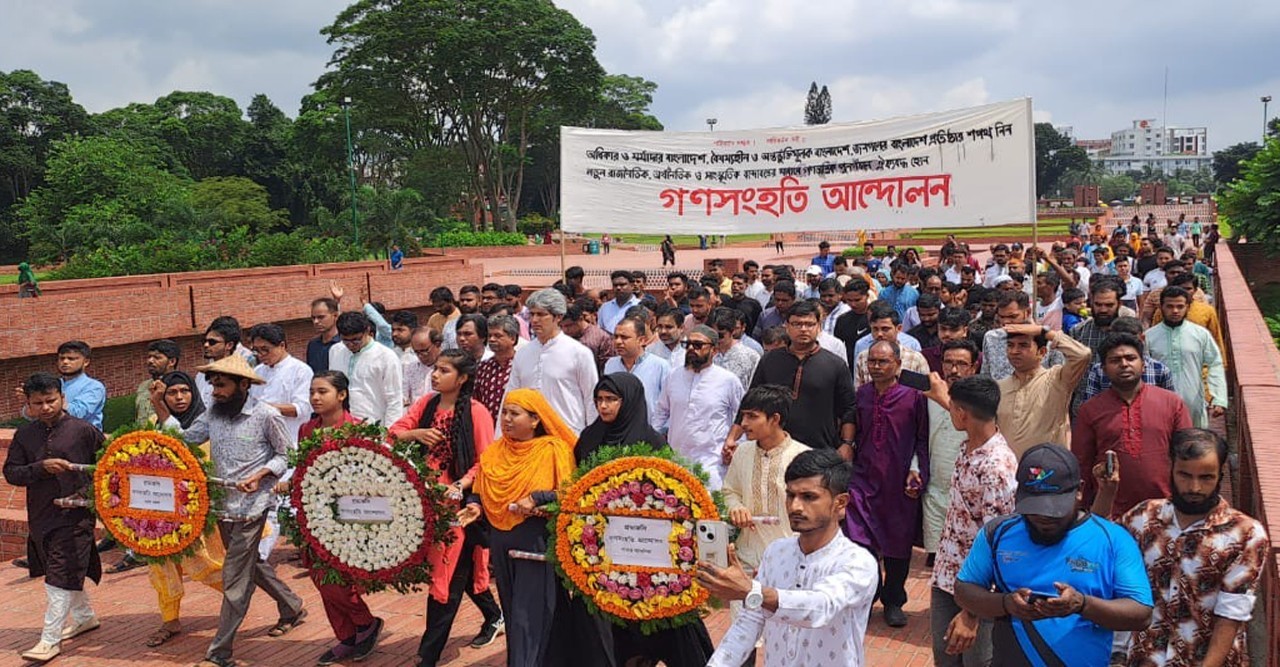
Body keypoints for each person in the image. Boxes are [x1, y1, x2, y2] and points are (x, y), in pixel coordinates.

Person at [153, 355, 305, 667]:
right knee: (252, 564)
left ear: (244, 385)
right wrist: (162, 411)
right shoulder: (213, 415)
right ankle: (292, 605)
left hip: (253, 508)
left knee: (235, 577)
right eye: (212, 385)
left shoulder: (266, 415)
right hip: (222, 507)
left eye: (221, 385)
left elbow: (286, 455)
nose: (214, 391)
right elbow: (184, 440)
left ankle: (219, 653)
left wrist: (261, 475)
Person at [953, 444, 1154, 666]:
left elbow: (1141, 613)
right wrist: (1005, 604)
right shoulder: (997, 533)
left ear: (1079, 490)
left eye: (1055, 509)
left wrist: (1081, 604)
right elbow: (963, 590)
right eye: (1035, 508)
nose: (1044, 518)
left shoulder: (1113, 539)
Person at [576, 374, 716, 667]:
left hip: (651, 552)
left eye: (611, 400)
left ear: (629, 401)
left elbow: (670, 496)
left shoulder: (650, 441)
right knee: (616, 619)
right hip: (607, 550)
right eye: (599, 399)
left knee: (665, 616)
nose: (604, 406)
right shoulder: (589, 439)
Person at [1106, 429, 1271, 667]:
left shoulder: (1245, 534)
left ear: (1220, 475)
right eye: (1185, 475)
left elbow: (1231, 613)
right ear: (1170, 468)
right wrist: (1106, 493)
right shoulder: (1142, 518)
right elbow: (1103, 554)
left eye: (1206, 478)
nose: (1194, 487)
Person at [467, 389, 608, 666]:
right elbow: (480, 489)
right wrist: (474, 504)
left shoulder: (553, 449)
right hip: (501, 540)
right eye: (504, 412)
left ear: (535, 420)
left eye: (515, 414)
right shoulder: (496, 451)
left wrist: (539, 498)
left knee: (526, 614)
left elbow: (570, 493)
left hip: (535, 541)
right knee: (518, 607)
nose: (506, 419)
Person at [703, 449, 878, 667]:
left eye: (809, 497)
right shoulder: (776, 552)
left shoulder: (857, 562)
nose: (795, 506)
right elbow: (750, 621)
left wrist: (751, 591)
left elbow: (819, 607)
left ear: (840, 503)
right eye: (790, 495)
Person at [387, 351, 505, 664]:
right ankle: (494, 616)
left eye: (444, 370)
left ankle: (428, 655)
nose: (435, 375)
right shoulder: (426, 404)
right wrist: (415, 433)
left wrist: (462, 485)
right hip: (426, 502)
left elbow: (486, 461)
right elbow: (394, 433)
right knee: (457, 572)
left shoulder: (476, 412)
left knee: (445, 576)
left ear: (462, 378)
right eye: (435, 369)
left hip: (460, 507)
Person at [280, 371, 383, 664]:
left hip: (347, 517)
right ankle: (347, 636)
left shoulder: (358, 429)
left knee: (336, 578)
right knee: (318, 574)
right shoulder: (306, 429)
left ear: (341, 395)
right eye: (313, 392)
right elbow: (302, 468)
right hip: (312, 514)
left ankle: (365, 624)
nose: (315, 397)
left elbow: (370, 475)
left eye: (322, 391)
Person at [4, 373, 104, 663]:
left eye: (51, 400)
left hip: (76, 515)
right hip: (41, 515)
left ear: (62, 398)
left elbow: (109, 463)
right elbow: (12, 473)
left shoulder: (83, 430)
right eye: (39, 403)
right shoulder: (24, 435)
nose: (46, 407)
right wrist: (40, 467)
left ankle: (49, 640)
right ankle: (85, 617)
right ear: (28, 404)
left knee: (58, 574)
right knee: (61, 568)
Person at [922, 375, 1017, 667]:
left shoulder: (995, 467)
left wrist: (972, 613)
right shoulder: (969, 446)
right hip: (947, 577)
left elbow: (998, 544)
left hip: (979, 591)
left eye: (952, 409)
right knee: (946, 659)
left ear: (962, 414)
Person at [845, 340, 929, 627]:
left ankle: (894, 600)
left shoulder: (914, 397)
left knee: (897, 545)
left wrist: (917, 471)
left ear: (898, 364)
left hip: (899, 483)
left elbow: (922, 438)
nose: (877, 367)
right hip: (864, 480)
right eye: (872, 362)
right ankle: (867, 597)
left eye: (883, 362)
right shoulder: (862, 395)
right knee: (860, 543)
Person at [141, 371, 225, 648]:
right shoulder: (154, 423)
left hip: (198, 509)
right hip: (162, 509)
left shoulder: (208, 420)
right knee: (160, 567)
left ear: (194, 392)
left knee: (206, 564)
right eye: (172, 393)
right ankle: (170, 620)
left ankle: (237, 600)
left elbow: (196, 455)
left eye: (184, 391)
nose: (179, 397)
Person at [1073, 333, 1191, 519]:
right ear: (1103, 369)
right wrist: (1082, 509)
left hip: (1166, 511)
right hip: (1110, 513)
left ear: (1143, 364)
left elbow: (1188, 456)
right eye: (1115, 360)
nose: (1124, 364)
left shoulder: (1172, 403)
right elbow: (1082, 463)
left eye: (1130, 358)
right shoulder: (1090, 410)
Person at [734, 301, 857, 455]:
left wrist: (847, 444)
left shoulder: (835, 365)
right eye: (797, 324)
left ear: (819, 326)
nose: (803, 329)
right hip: (773, 449)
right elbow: (751, 401)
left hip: (819, 451)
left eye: (809, 324)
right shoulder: (770, 360)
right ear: (787, 326)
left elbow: (848, 409)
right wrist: (732, 438)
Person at [653, 326, 744, 490]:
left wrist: (735, 448)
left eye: (697, 345)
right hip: (675, 460)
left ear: (714, 350)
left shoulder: (728, 380)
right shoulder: (673, 377)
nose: (690, 349)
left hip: (712, 463)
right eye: (687, 344)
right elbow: (661, 413)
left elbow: (742, 417)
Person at [920, 339, 981, 560]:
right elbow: (919, 436)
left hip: (969, 490)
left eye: (962, 364)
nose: (954, 370)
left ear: (974, 367)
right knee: (936, 558)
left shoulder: (983, 398)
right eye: (948, 362)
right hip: (935, 488)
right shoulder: (928, 396)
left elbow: (978, 429)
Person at [507, 289, 600, 433]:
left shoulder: (579, 353)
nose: (535, 320)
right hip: (530, 438)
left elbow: (591, 398)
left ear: (558, 317)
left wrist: (592, 439)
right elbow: (511, 396)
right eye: (532, 314)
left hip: (569, 434)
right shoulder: (523, 353)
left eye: (541, 314)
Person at [996, 323, 1091, 456]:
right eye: (1010, 345)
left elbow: (1082, 354)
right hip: (1008, 471)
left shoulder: (1057, 379)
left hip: (1047, 470)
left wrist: (1045, 332)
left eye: (1023, 345)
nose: (1014, 351)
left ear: (1042, 352)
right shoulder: (999, 388)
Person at [1145, 286, 1228, 429]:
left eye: (1180, 306)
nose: (1175, 311)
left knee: (1195, 444)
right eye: (1169, 306)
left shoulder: (1200, 334)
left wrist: (1218, 398)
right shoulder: (1149, 337)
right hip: (1158, 404)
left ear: (1188, 307)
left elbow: (1215, 363)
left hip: (1194, 402)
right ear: (1161, 307)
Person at [329, 311, 405, 426]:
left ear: (368, 331)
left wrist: (390, 435)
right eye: (346, 340)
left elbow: (394, 400)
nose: (351, 344)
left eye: (356, 339)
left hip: (375, 426)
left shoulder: (386, 357)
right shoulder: (335, 351)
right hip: (341, 426)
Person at [17, 341, 106, 431]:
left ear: (86, 362)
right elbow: (30, 415)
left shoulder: (94, 387)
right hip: (51, 436)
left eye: (71, 359)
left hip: (84, 438)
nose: (65, 362)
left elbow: (77, 413)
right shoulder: (53, 384)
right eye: (61, 358)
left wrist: (55, 400)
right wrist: (31, 402)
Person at [602, 315, 670, 417]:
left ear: (641, 340)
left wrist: (658, 431)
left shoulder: (660, 366)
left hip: (649, 430)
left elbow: (668, 405)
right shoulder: (611, 365)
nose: (618, 342)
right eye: (616, 337)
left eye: (624, 337)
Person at [853, 303, 929, 388]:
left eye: (885, 329)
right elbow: (859, 392)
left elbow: (924, 393)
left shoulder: (915, 359)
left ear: (899, 329)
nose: (879, 334)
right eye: (875, 329)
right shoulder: (863, 357)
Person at [474, 315, 517, 420]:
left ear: (512, 338)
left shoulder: (521, 365)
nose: (492, 339)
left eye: (498, 336)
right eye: (490, 336)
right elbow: (477, 399)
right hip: (488, 427)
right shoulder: (483, 367)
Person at [709, 307, 760, 391]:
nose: (716, 339)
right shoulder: (705, 353)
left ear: (732, 331)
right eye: (712, 335)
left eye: (720, 335)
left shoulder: (751, 356)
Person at [561, 300, 614, 373]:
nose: (565, 330)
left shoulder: (601, 337)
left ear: (580, 319)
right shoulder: (561, 336)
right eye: (561, 326)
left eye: (569, 326)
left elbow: (606, 366)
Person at [136, 339, 181, 424]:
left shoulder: (181, 386)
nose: (150, 361)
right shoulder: (143, 386)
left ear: (172, 361)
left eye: (157, 357)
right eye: (149, 357)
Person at [403, 327, 442, 406]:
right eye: (416, 352)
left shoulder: (448, 368)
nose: (420, 356)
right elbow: (404, 396)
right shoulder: (410, 368)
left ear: (437, 344)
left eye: (424, 351)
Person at [306, 296, 342, 374]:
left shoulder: (344, 344)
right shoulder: (313, 345)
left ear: (335, 316)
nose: (316, 321)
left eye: (321, 317)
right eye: (313, 318)